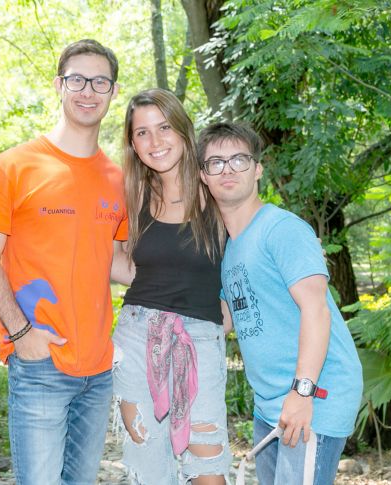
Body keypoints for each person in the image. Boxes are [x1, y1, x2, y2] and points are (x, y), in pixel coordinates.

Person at [0, 39, 127, 485]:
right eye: (77, 79)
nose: (88, 90)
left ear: (114, 92)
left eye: (100, 82)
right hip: (40, 362)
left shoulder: (118, 179)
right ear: (59, 85)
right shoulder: (14, 167)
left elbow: (117, 263)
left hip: (99, 368)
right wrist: (21, 334)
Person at [197, 122, 363, 485]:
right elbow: (225, 318)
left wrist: (302, 393)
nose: (228, 169)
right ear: (203, 176)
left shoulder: (281, 229)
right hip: (269, 402)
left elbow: (316, 310)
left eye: (239, 159)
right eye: (216, 162)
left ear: (258, 169)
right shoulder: (229, 248)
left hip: (313, 394)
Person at [110, 88, 233, 484]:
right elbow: (114, 260)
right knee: (148, 469)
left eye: (164, 127)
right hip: (136, 337)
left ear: (183, 130)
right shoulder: (132, 194)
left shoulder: (215, 186)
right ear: (133, 143)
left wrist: (233, 304)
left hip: (201, 337)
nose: (155, 141)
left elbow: (250, 252)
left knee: (208, 470)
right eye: (142, 132)